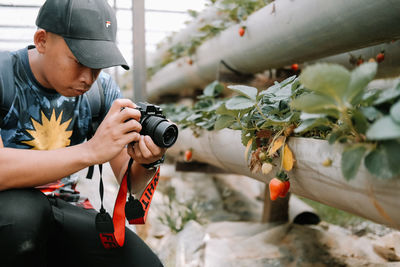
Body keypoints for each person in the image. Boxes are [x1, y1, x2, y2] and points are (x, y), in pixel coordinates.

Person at [0, 0, 166, 266]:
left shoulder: (102, 92)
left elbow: (131, 182)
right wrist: (89, 151)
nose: (88, 78)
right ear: (42, 41)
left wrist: (147, 161)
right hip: (9, 210)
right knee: (20, 220)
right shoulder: (4, 76)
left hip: (64, 205)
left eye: (98, 64)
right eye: (79, 60)